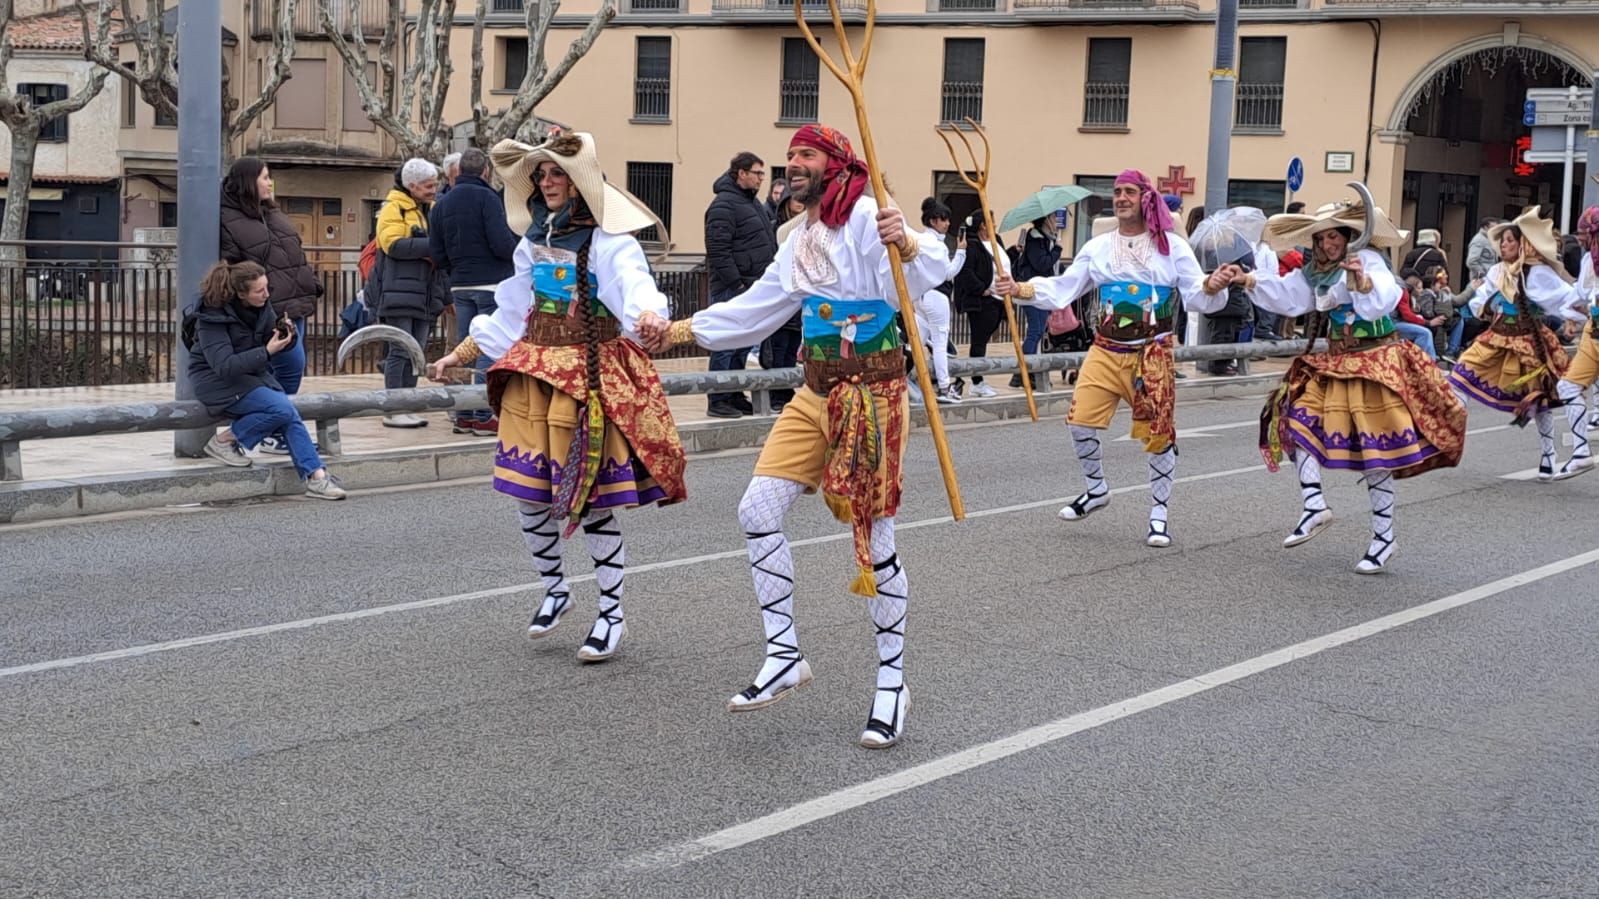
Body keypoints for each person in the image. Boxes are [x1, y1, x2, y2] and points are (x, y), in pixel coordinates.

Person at [642, 124, 946, 749]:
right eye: (790, 158)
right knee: (755, 509)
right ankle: (784, 653)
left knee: (874, 535)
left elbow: (927, 278)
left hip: (874, 398)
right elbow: (757, 307)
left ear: (835, 163)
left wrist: (910, 243)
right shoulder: (800, 236)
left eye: (805, 155)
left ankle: (892, 682)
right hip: (815, 393)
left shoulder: (867, 216)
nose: (793, 165)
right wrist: (678, 332)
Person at [429, 132, 688, 661]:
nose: (547, 183)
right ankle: (555, 589)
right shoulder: (533, 243)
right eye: (541, 175)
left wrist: (647, 314)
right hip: (536, 376)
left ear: (580, 184)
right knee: (527, 494)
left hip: (587, 380)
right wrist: (460, 354)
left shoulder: (611, 241)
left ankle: (611, 613)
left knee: (589, 500)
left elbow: (633, 284)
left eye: (557, 174)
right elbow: (513, 311)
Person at [998, 169, 1233, 549]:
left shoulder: (1171, 247)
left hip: (1152, 355)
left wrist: (1212, 285)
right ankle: (1096, 489)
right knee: (1078, 422)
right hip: (1105, 350)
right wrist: (1020, 288)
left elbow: (1196, 294)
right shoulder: (1098, 247)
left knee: (1158, 436)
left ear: (1145, 198)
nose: (1120, 197)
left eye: (1128, 191)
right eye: (1117, 192)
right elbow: (1063, 289)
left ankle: (1158, 513)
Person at [1247, 197, 1463, 573]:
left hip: (1374, 361)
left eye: (1333, 237)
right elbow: (1288, 297)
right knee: (1297, 421)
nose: (1327, 245)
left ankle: (1383, 538)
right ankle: (1314, 504)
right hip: (1334, 362)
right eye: (1321, 238)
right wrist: (1249, 280)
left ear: (1348, 237)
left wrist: (1361, 282)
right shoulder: (1313, 272)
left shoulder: (1370, 261)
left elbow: (1386, 297)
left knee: (1374, 454)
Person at [188, 261, 346, 500]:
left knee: (286, 412)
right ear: (241, 294)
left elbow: (269, 339)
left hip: (250, 376)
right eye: (259, 290)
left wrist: (287, 335)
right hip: (215, 381)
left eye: (267, 287)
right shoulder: (211, 317)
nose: (267, 294)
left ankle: (317, 477)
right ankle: (225, 440)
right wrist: (267, 351)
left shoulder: (262, 307)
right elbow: (225, 366)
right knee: (282, 408)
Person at [1448, 207, 1585, 480]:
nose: (1505, 245)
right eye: (1502, 240)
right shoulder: (1498, 270)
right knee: (1458, 377)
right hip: (1496, 338)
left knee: (1538, 398)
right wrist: (1485, 305)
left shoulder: (1536, 273)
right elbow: (1479, 302)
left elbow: (1566, 297)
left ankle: (1548, 454)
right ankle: (1452, 436)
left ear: (1523, 244)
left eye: (1511, 240)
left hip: (1529, 340)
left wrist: (1575, 316)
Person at [218, 156, 323, 456]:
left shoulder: (271, 213)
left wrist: (311, 282)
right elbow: (233, 265)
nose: (269, 182)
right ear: (248, 181)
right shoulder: (226, 217)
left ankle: (275, 430)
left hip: (294, 301)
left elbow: (291, 252)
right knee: (290, 365)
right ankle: (270, 429)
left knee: (289, 367)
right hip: (267, 305)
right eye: (264, 177)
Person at [429, 147, 519, 436]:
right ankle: (482, 413)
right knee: (486, 346)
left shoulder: (441, 204)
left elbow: (436, 249)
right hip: (491, 282)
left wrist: (453, 269)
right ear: (485, 171)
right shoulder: (488, 198)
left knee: (463, 347)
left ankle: (463, 413)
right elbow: (500, 243)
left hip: (460, 283)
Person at [374, 157, 450, 428]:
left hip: (423, 292)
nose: (433, 190)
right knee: (400, 350)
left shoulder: (428, 209)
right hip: (400, 292)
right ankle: (394, 408)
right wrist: (431, 246)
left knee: (416, 352)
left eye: (434, 185)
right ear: (413, 186)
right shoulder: (394, 208)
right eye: (428, 186)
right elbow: (392, 244)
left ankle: (407, 405)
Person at [704, 151, 779, 419]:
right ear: (741, 173)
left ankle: (734, 393)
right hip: (733, 287)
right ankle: (718, 398)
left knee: (742, 343)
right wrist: (736, 284)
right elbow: (718, 249)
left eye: (763, 174)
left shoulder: (750, 203)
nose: (761, 179)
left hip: (752, 285)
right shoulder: (724, 205)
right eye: (757, 173)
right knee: (725, 342)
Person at [1549, 205, 1599, 479]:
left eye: (1584, 232)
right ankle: (1580, 452)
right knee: (1567, 387)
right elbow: (1581, 294)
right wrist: (1574, 314)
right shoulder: (1590, 260)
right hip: (1595, 330)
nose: (1579, 238)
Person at [911, 197, 965, 404]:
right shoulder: (937, 246)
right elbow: (948, 273)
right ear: (934, 221)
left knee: (916, 340)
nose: (947, 223)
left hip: (920, 296)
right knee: (940, 344)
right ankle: (944, 386)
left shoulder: (919, 240)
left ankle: (903, 378)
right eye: (944, 220)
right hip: (937, 296)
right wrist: (961, 252)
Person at [953, 212, 1006, 398]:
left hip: (999, 298)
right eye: (991, 220)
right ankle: (977, 382)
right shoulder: (973, 245)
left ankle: (978, 379)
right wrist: (981, 289)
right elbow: (966, 271)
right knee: (979, 340)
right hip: (983, 300)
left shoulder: (996, 241)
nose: (995, 224)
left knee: (986, 338)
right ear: (983, 225)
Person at [1010, 215, 1062, 388]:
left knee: (1038, 331)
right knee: (1035, 331)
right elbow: (1042, 264)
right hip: (1033, 291)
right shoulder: (1035, 239)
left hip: (1042, 291)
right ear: (1046, 219)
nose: (1056, 220)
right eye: (1053, 217)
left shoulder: (1045, 239)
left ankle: (1029, 372)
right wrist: (1057, 250)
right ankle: (1021, 373)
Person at [1466, 217, 1498, 285]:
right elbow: (1471, 261)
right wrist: (1483, 274)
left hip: (1489, 280)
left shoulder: (1489, 239)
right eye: (1493, 228)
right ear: (1485, 227)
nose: (1495, 230)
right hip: (1480, 281)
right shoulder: (1479, 240)